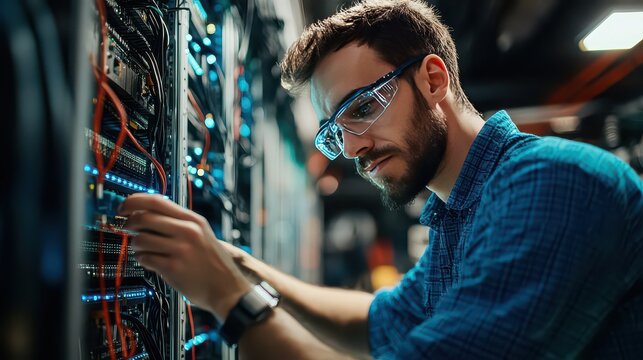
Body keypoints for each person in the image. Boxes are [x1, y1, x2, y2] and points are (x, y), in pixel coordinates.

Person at [118, 0, 643, 358]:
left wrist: (229, 297)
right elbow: (381, 321)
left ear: (434, 79)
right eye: (334, 132)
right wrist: (243, 265)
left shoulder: (551, 183)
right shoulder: (460, 214)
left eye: (364, 107)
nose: (353, 149)